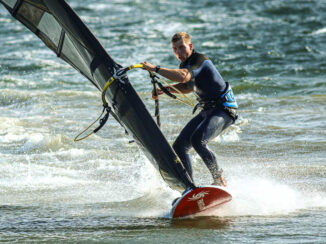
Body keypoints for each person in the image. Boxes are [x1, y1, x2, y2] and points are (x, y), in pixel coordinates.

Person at [141, 32, 238, 187]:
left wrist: (155, 68)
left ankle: (219, 180)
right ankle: (190, 187)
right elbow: (187, 87)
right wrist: (165, 89)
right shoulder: (184, 65)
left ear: (190, 46)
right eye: (175, 49)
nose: (178, 52)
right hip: (207, 110)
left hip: (223, 109)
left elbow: (184, 77)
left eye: (181, 47)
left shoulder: (200, 60)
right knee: (179, 146)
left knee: (198, 140)